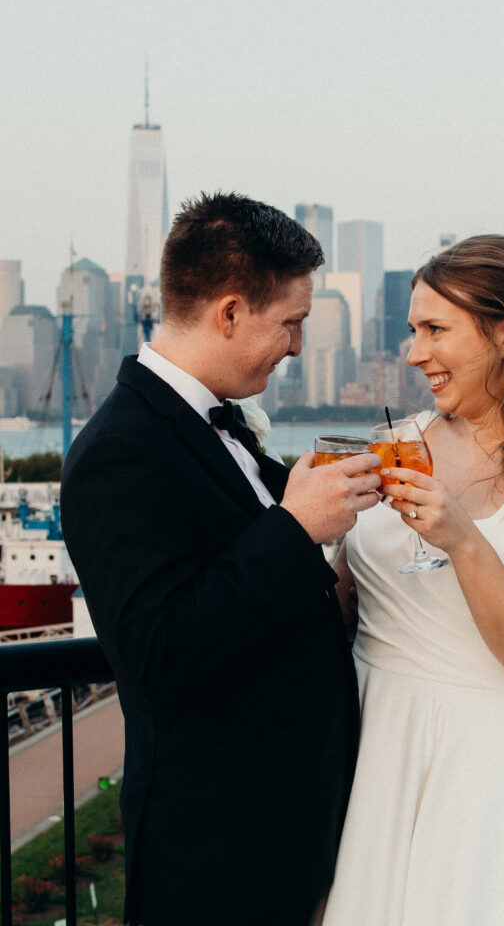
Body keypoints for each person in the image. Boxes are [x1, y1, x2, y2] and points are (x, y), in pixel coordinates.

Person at [60, 191, 381, 926]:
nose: (298, 346)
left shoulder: (219, 427)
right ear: (230, 312)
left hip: (286, 839)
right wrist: (296, 528)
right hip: (217, 857)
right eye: (291, 323)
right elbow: (158, 650)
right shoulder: (120, 453)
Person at [322, 236, 504, 926]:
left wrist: (459, 537)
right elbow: (344, 597)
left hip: (475, 766)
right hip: (365, 744)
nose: (413, 352)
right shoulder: (398, 442)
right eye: (411, 331)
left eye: (434, 330)